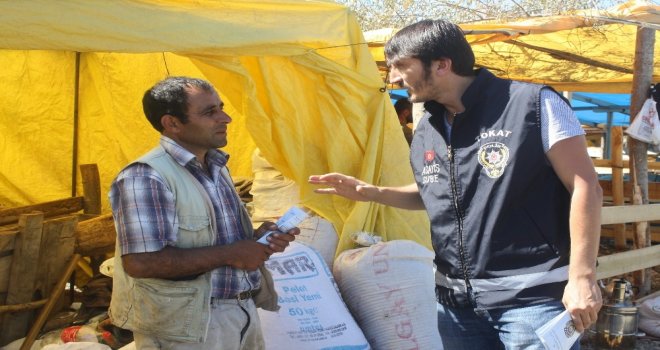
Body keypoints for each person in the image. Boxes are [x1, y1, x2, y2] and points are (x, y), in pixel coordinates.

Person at [309, 19, 603, 350]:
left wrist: (582, 276)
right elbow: (438, 194)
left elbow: (586, 187)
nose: (392, 78)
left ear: (442, 65)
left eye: (401, 66)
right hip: (455, 305)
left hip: (530, 301)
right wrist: (371, 193)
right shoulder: (428, 128)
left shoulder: (532, 105)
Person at [108, 76, 299, 349]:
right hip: (187, 327)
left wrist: (259, 240)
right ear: (172, 123)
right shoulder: (147, 175)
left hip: (239, 311)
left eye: (220, 107)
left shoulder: (216, 166)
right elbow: (141, 263)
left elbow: (222, 242)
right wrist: (234, 253)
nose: (225, 118)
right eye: (210, 112)